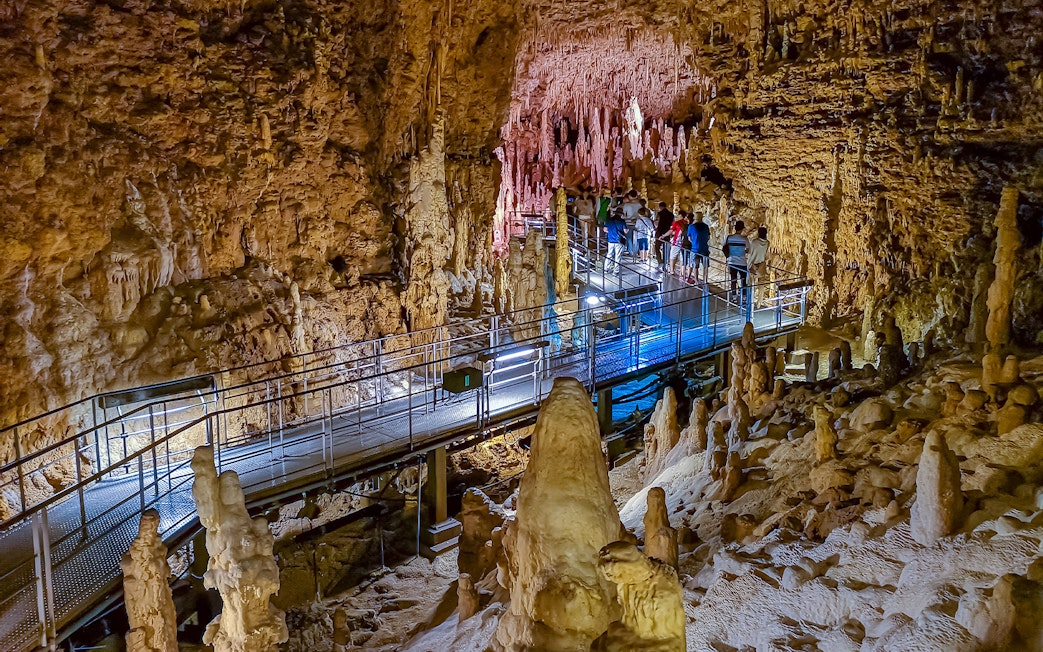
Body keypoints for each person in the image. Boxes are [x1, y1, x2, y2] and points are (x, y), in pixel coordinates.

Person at [724, 220, 751, 299]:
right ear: (742, 229)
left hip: (732, 261)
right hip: (742, 262)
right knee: (743, 280)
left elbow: (724, 247)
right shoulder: (745, 239)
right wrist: (742, 250)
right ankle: (744, 297)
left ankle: (734, 297)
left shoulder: (729, 238)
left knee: (733, 280)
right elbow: (748, 250)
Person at [686, 212, 711, 283]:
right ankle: (705, 280)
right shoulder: (706, 226)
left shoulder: (691, 227)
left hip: (695, 248)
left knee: (695, 265)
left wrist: (694, 242)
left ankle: (696, 281)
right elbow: (708, 237)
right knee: (705, 266)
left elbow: (689, 238)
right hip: (705, 248)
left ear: (694, 217)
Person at [748, 226, 769, 304]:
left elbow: (751, 252)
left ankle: (750, 300)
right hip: (761, 265)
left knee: (751, 284)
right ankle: (759, 302)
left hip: (753, 265)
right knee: (761, 285)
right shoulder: (767, 243)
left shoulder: (754, 242)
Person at [604, 208, 629, 274]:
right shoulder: (622, 221)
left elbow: (605, 230)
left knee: (609, 254)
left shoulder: (609, 220)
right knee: (618, 256)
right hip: (619, 241)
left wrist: (611, 232)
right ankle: (615, 271)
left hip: (610, 240)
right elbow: (625, 231)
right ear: (621, 214)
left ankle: (606, 269)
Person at [655, 201, 674, 266]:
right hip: (667, 232)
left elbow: (656, 222)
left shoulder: (659, 214)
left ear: (660, 207)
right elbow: (672, 223)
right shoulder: (671, 214)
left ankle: (660, 261)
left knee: (657, 247)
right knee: (666, 247)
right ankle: (665, 261)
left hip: (659, 232)